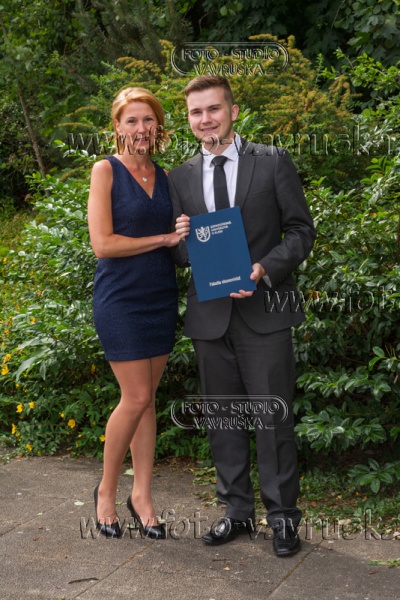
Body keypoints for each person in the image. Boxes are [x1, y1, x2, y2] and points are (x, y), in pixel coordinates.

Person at [168, 75, 316, 556]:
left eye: (213, 109)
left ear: (233, 111)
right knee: (223, 420)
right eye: (196, 112)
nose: (205, 119)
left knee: (273, 420)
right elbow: (181, 256)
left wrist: (263, 269)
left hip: (265, 312)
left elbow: (300, 231)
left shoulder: (271, 161)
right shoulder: (180, 177)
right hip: (210, 318)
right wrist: (179, 238)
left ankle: (283, 518)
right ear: (189, 120)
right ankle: (236, 512)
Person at [87, 87, 179, 538]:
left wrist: (183, 231)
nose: (141, 128)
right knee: (136, 397)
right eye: (132, 121)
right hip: (120, 300)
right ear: (117, 127)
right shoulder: (105, 170)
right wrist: (162, 239)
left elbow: (182, 235)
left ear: (158, 126)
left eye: (148, 120)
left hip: (161, 295)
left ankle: (141, 495)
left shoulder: (166, 177)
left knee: (148, 400)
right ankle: (106, 491)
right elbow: (103, 244)